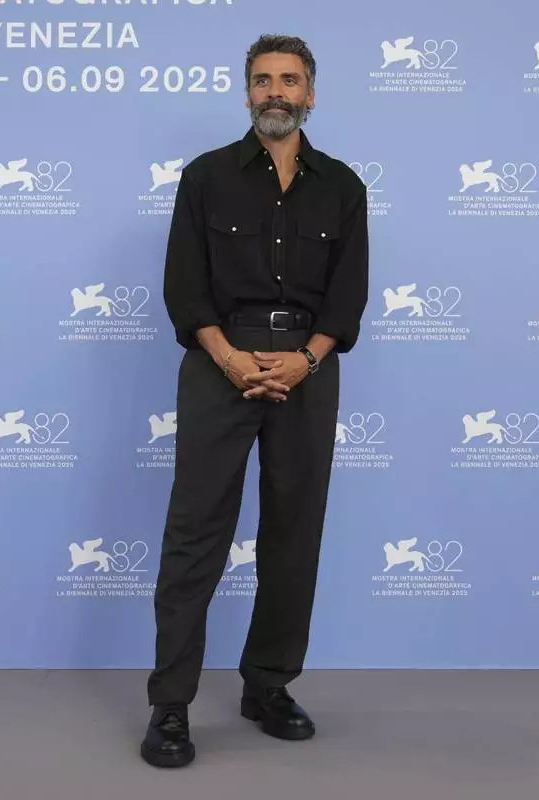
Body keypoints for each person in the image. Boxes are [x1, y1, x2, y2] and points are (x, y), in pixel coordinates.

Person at [140, 33, 369, 768]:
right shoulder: (205, 177)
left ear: (310, 94)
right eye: (264, 79)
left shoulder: (343, 186)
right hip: (220, 363)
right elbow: (184, 286)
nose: (276, 91)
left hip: (307, 367)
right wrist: (231, 359)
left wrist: (304, 361)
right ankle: (171, 705)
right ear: (247, 94)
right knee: (195, 534)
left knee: (294, 533)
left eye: (290, 80)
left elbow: (348, 296)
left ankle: (268, 686)